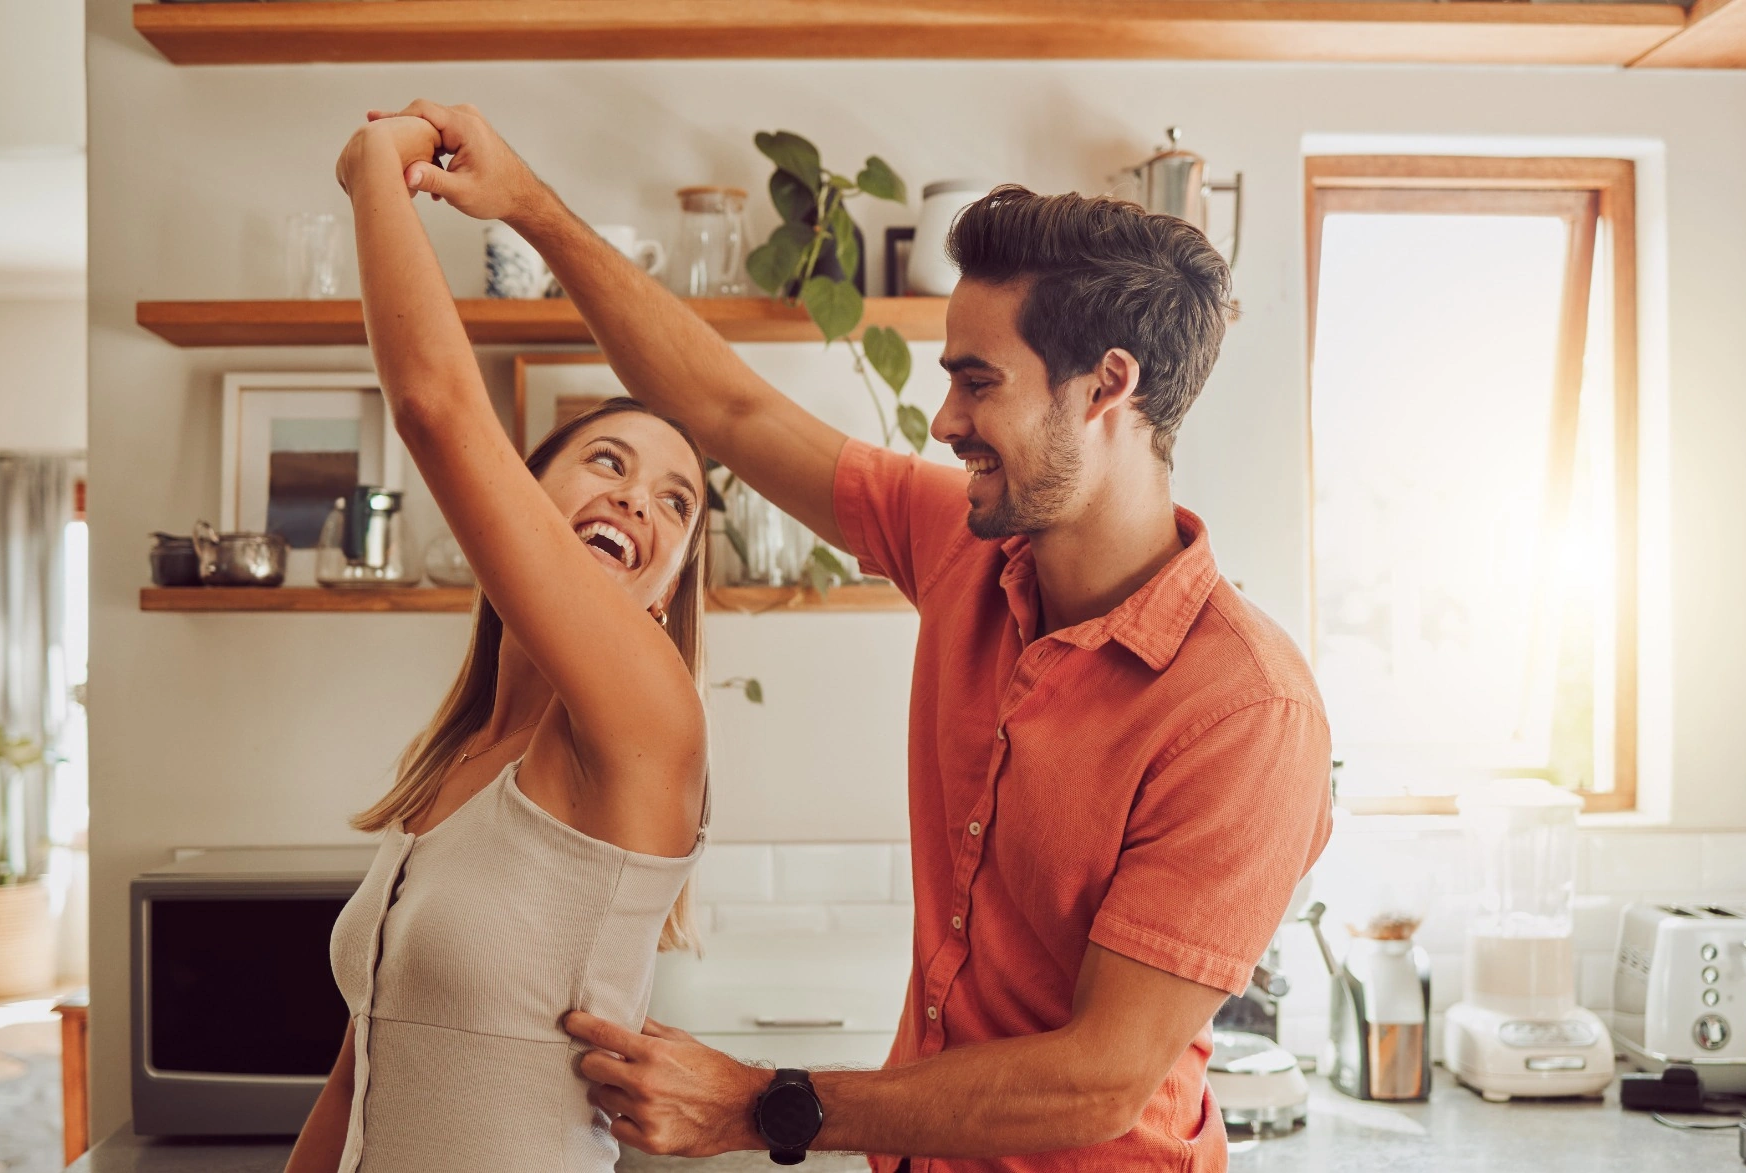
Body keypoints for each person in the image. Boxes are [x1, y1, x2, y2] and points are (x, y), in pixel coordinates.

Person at [381, 100, 1333, 1173]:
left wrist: (761, 1106)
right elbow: (730, 413)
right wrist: (531, 210)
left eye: (978, 382)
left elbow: (1100, 1076)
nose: (945, 421)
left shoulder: (1245, 711)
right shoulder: (966, 544)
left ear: (1107, 387)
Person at [284, 114, 713, 1173]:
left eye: (675, 503)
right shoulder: (456, 767)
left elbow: (434, 406)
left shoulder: (646, 725)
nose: (636, 501)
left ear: (664, 592)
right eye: (606, 462)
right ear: (521, 506)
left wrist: (373, 169)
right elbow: (356, 1080)